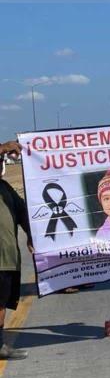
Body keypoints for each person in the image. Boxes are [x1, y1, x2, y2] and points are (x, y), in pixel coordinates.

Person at [0, 140, 32, 360]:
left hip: (8, 258)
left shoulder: (5, 187)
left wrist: (32, 236)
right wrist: (4, 146)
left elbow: (23, 212)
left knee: (1, 304)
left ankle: (0, 345)